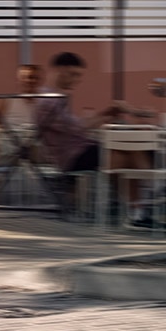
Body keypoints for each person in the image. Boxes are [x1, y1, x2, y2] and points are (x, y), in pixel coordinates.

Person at [34, 52, 159, 222]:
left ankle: (139, 208)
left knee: (130, 153)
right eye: (74, 75)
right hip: (74, 156)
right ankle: (150, 194)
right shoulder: (47, 100)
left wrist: (107, 113)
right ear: (60, 70)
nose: (76, 80)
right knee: (133, 152)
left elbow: (75, 127)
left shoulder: (55, 98)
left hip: (82, 151)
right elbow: (77, 128)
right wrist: (107, 115)